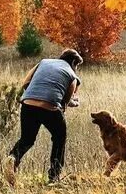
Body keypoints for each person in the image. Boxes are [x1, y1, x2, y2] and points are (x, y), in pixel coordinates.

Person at [7, 48, 83, 184]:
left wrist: (37, 95)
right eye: (77, 65)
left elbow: (25, 84)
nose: (76, 69)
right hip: (49, 108)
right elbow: (64, 103)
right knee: (59, 138)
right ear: (73, 62)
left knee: (27, 139)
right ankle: (54, 176)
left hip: (27, 104)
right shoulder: (72, 75)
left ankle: (13, 158)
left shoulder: (43, 62)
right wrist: (73, 103)